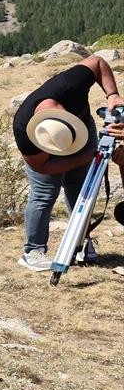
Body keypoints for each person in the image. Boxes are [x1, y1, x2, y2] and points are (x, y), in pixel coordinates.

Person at [12, 54, 124, 271]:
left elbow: (98, 62)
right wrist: (85, 157)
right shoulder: (24, 131)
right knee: (44, 193)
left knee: (82, 189)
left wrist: (113, 94)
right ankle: (33, 252)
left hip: (82, 131)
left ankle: (80, 244)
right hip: (47, 150)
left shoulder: (70, 84)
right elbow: (41, 167)